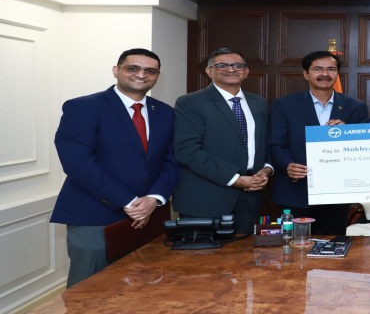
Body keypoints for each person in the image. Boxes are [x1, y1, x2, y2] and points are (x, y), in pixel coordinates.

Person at [51, 49, 179, 288]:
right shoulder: (83, 107)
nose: (141, 74)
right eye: (133, 68)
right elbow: (78, 163)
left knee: (143, 289)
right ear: (116, 70)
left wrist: (154, 198)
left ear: (157, 76)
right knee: (90, 290)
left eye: (150, 71)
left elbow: (171, 160)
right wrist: (129, 202)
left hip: (149, 215)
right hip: (95, 215)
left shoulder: (164, 112)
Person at [172, 48, 272, 234]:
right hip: (205, 200)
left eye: (237, 65)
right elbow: (187, 151)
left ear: (246, 71)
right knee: (203, 252)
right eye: (222, 65)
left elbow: (266, 144)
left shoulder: (259, 103)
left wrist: (267, 169)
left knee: (245, 251)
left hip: (249, 199)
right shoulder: (190, 102)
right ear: (209, 71)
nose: (231, 69)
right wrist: (235, 179)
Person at [268, 51, 369, 235]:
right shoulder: (283, 105)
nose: (325, 74)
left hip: (337, 192)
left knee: (331, 246)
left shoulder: (355, 107)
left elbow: (364, 147)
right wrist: (287, 165)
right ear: (305, 73)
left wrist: (348, 133)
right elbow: (276, 144)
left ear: (337, 74)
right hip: (295, 191)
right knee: (295, 245)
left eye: (331, 69)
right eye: (317, 69)